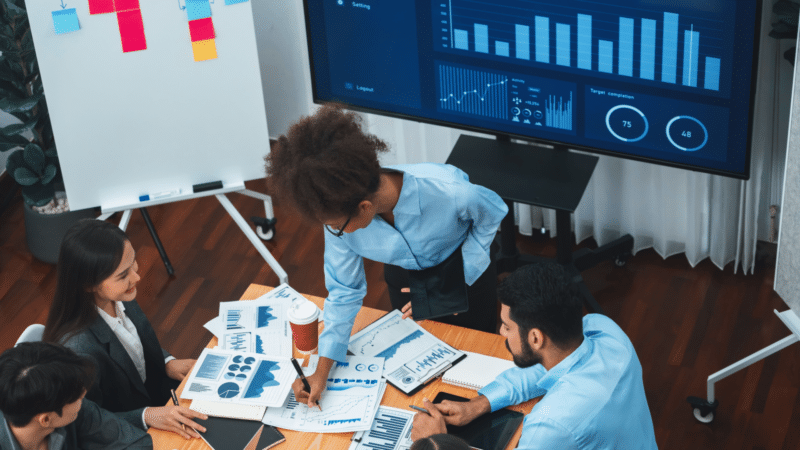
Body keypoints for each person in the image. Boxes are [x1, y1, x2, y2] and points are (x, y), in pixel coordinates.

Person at [265, 104, 508, 408]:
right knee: (419, 366)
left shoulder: (449, 190)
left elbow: (493, 212)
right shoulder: (338, 215)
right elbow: (344, 291)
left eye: (336, 226)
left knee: (475, 359)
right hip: (405, 281)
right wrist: (321, 371)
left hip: (464, 273)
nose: (333, 232)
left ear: (365, 208)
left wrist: (459, 277)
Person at [411, 262, 658, 449]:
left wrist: (434, 442)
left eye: (507, 326)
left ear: (536, 338)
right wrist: (479, 404)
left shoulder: (550, 425)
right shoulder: (605, 331)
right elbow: (548, 366)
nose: (501, 331)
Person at [42, 219, 207, 439]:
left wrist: (166, 362)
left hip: (151, 396)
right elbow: (86, 421)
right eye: (123, 275)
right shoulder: (80, 349)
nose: (136, 277)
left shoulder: (119, 294)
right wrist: (146, 416)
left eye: (133, 263)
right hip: (124, 428)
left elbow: (134, 346)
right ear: (88, 284)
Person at [0, 342, 152, 450]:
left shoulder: (70, 406)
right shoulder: (63, 401)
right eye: (78, 398)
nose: (84, 395)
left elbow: (136, 443)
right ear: (46, 419)